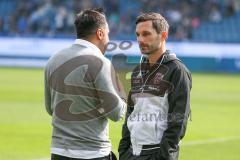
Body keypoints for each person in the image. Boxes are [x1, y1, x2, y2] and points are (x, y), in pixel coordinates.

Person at [44, 8, 126, 160]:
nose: (108, 39)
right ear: (100, 34)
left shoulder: (53, 60)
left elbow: (50, 109)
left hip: (58, 152)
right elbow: (116, 113)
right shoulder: (101, 63)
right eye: (108, 34)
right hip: (93, 152)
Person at [118, 12, 192, 160]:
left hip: (157, 153)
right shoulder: (137, 71)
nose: (140, 39)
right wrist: (124, 150)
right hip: (131, 153)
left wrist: (164, 155)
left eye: (146, 34)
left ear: (163, 35)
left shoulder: (177, 70)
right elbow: (131, 114)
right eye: (138, 34)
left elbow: (178, 120)